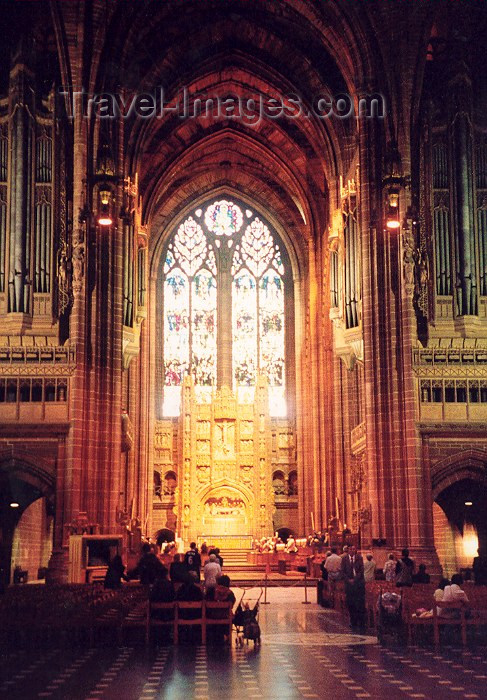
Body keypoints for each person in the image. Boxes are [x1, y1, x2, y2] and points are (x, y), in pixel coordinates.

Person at [340, 545, 366, 633]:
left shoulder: (359, 558)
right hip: (349, 585)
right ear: (348, 550)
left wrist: (354, 579)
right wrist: (348, 580)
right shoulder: (344, 559)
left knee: (359, 603)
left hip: (358, 584)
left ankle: (360, 621)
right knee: (350, 603)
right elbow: (342, 571)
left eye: (354, 549)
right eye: (350, 549)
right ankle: (352, 620)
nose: (352, 550)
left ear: (356, 550)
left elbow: (361, 570)